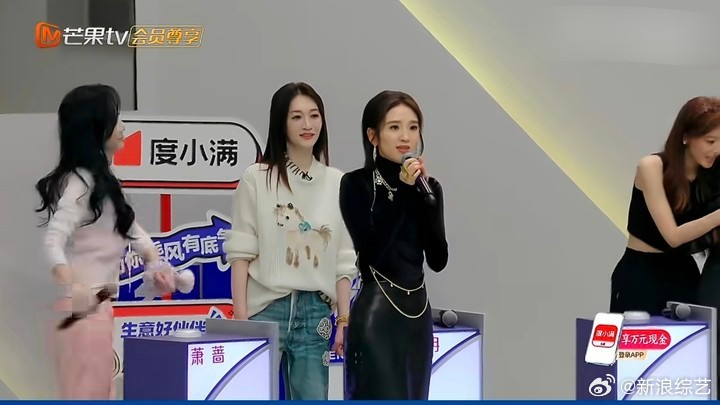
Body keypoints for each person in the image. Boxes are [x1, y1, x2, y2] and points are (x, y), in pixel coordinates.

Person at [36, 84, 186, 399]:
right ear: (95, 129)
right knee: (87, 392)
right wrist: (68, 278)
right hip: (82, 311)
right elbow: (53, 240)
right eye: (115, 119)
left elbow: (133, 230)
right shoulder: (81, 183)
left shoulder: (104, 182)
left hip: (97, 309)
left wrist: (155, 264)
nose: (123, 127)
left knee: (100, 390)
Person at [222, 82, 358, 400]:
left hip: (316, 313)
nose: (307, 124)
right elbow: (241, 252)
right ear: (281, 122)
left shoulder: (338, 182)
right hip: (266, 310)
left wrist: (344, 319)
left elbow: (343, 259)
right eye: (297, 117)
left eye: (314, 115)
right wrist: (241, 320)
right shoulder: (257, 177)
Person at [339, 90, 448, 400]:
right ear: (373, 135)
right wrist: (402, 189)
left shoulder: (429, 188)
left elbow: (438, 259)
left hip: (418, 316)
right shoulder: (356, 184)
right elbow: (372, 252)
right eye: (394, 127)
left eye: (413, 127)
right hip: (378, 314)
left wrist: (426, 201)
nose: (405, 136)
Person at [610, 96, 720, 316]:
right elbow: (673, 236)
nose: (717, 150)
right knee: (638, 338)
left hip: (684, 272)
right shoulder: (652, 167)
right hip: (642, 271)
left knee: (689, 337)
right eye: (710, 141)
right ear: (685, 136)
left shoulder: (711, 174)